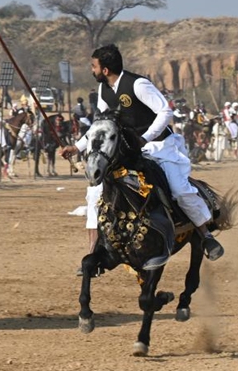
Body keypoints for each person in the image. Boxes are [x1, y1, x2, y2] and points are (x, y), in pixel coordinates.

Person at [62, 44, 224, 269]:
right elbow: (102, 124)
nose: (92, 70)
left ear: (106, 69)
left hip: (160, 147)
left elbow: (165, 112)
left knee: (178, 189)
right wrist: (77, 147)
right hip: (127, 151)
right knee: (95, 192)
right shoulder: (103, 91)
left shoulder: (138, 85)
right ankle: (93, 253)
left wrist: (145, 138)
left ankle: (206, 235)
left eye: (94, 66)